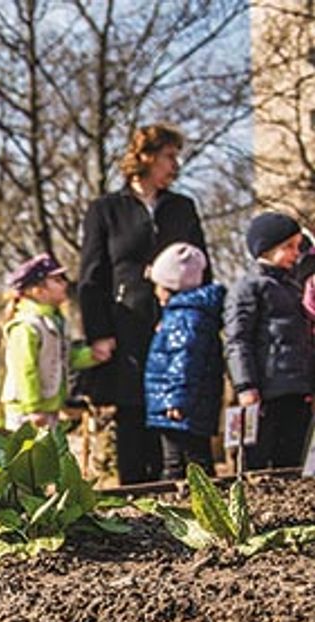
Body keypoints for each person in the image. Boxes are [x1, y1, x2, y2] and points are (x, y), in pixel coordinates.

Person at [79, 124, 208, 483]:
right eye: (169, 156)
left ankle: (181, 493)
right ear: (146, 156)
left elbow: (202, 265)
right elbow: (91, 276)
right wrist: (98, 333)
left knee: (174, 409)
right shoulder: (105, 210)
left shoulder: (183, 207)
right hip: (126, 325)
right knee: (133, 411)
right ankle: (135, 498)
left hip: (176, 326)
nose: (175, 164)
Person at [224, 212, 315, 470]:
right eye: (288, 247)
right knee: (259, 459)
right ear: (265, 249)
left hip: (297, 388)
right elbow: (238, 341)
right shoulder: (248, 288)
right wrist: (246, 385)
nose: (295, 253)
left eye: (298, 246)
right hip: (265, 391)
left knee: (292, 459)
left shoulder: (293, 288)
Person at [142, 243, 224, 478]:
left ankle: (186, 506)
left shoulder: (184, 318)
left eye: (158, 286)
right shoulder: (186, 315)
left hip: (178, 408)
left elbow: (184, 361)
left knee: (180, 462)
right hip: (184, 403)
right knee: (191, 459)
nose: (155, 292)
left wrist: (176, 399)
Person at [0, 254, 101, 431]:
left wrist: (92, 355)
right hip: (26, 411)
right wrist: (33, 408)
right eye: (56, 280)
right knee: (28, 457)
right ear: (38, 291)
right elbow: (25, 370)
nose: (64, 284)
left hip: (49, 408)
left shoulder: (54, 322)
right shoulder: (27, 326)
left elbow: (64, 357)